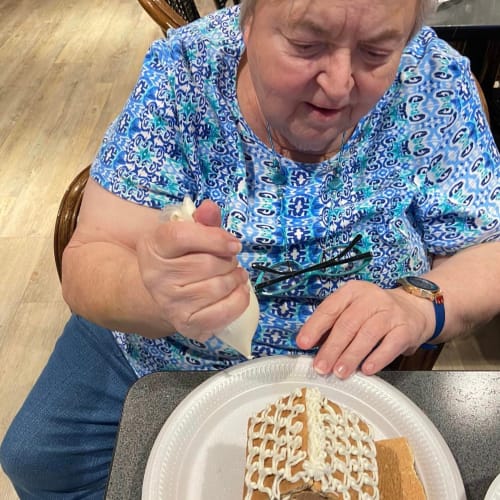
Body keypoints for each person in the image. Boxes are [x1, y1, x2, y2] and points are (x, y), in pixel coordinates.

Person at [2, 0, 499, 497]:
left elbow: (490, 250)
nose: (338, 84)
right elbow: (91, 255)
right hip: (159, 351)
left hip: (343, 373)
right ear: (248, 20)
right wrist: (155, 292)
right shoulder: (185, 72)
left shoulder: (434, 85)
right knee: (35, 458)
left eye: (376, 51)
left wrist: (416, 304)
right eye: (306, 45)